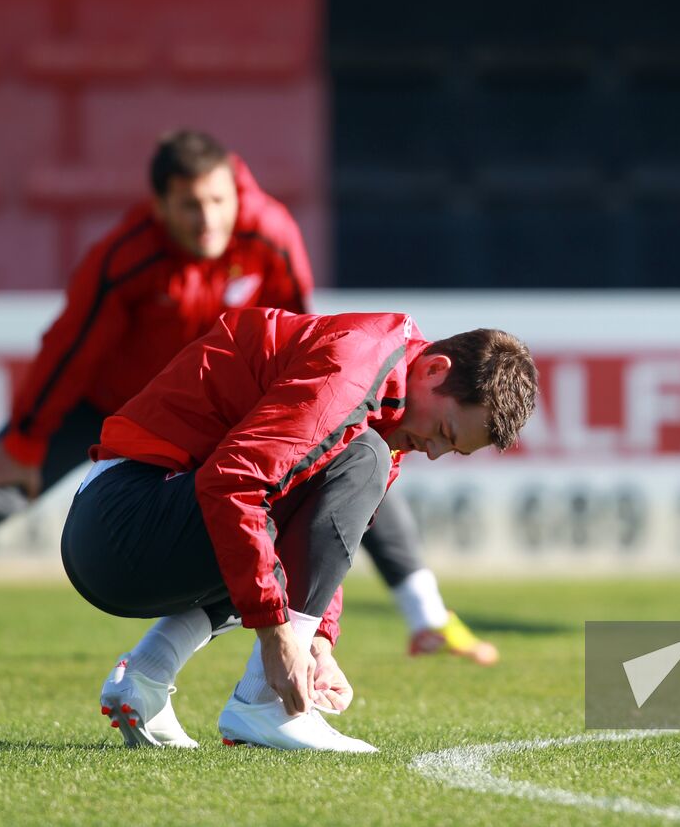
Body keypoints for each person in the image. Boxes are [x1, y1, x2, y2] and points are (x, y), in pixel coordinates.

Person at [0, 129, 495, 670]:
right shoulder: (125, 257)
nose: (206, 219)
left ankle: (426, 617)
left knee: (353, 457)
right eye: (188, 205)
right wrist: (26, 438)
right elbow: (69, 348)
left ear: (235, 194)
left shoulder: (271, 235)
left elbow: (316, 352)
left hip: (221, 405)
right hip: (113, 403)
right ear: (158, 205)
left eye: (217, 201)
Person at [61, 310, 537, 751]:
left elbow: (317, 531)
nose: (433, 451)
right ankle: (266, 705)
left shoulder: (389, 386)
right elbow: (234, 484)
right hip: (122, 519)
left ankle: (146, 674)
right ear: (434, 369)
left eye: (451, 449)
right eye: (446, 432)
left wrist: (318, 644)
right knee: (361, 460)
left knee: (295, 532)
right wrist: (278, 637)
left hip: (115, 525)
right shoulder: (355, 368)